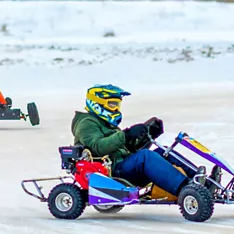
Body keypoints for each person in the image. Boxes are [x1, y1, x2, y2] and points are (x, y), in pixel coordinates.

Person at [71, 84, 205, 198]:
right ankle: (187, 189)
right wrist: (126, 134)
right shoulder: (86, 123)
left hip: (123, 165)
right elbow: (98, 147)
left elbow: (130, 149)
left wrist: (148, 135)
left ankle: (201, 182)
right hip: (110, 171)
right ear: (97, 104)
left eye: (117, 104)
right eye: (112, 104)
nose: (116, 108)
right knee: (145, 156)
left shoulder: (105, 123)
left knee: (163, 151)